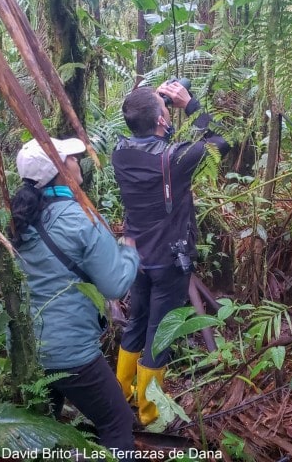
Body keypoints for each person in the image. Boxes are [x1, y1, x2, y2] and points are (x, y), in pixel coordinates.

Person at [11, 137, 139, 458]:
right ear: (58, 170)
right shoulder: (80, 218)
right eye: (70, 157)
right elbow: (116, 284)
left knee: (41, 431)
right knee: (117, 423)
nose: (77, 162)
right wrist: (130, 250)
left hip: (27, 349)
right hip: (71, 354)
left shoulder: (17, 220)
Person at [112, 80, 230, 425]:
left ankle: (121, 396)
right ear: (163, 121)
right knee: (159, 332)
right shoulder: (176, 159)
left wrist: (156, 103)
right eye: (164, 109)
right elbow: (221, 141)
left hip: (136, 257)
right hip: (168, 260)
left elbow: (141, 118)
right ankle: (151, 414)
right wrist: (190, 103)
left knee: (136, 322)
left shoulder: (119, 151)